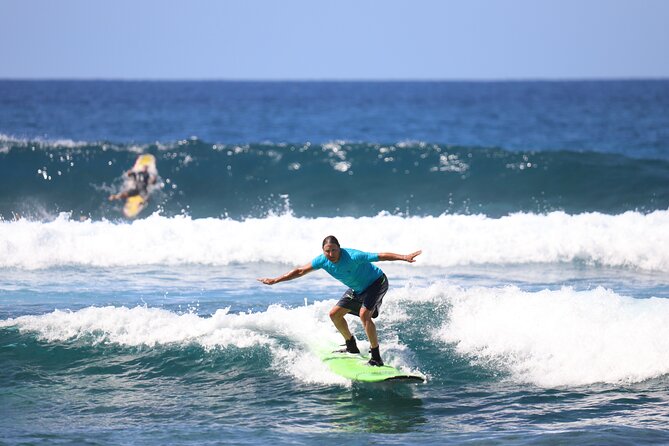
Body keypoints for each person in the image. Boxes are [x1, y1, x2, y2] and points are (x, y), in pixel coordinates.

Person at [257, 235, 421, 366]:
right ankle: (351, 346)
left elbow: (380, 256)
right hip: (357, 289)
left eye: (334, 250)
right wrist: (275, 280)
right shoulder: (322, 260)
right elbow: (300, 271)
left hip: (376, 283)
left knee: (365, 315)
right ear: (323, 251)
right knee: (334, 315)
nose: (330, 254)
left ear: (339, 248)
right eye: (327, 251)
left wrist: (404, 257)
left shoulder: (353, 256)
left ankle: (376, 356)